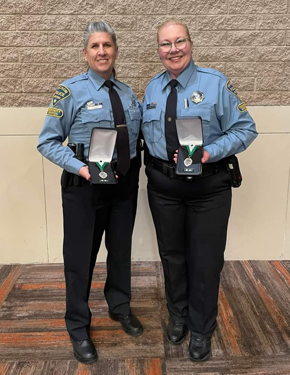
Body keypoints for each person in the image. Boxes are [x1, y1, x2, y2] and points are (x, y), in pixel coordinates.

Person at [141, 19, 258, 362]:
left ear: (191, 44)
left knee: (205, 261)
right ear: (158, 50)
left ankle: (202, 326)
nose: (173, 49)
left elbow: (245, 129)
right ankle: (178, 315)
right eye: (165, 44)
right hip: (164, 187)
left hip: (209, 188)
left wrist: (210, 152)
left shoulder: (216, 83)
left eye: (179, 41)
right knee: (172, 256)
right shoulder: (152, 89)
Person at [37, 21, 143, 364]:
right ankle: (78, 326)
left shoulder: (127, 93)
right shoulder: (70, 91)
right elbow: (47, 142)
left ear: (115, 51)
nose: (102, 52)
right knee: (80, 258)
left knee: (120, 249)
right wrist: (80, 168)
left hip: (124, 184)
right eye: (95, 46)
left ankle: (120, 305)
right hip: (85, 186)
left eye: (107, 46)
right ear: (85, 53)